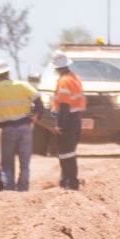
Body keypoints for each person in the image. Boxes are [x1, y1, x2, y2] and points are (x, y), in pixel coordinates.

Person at [0, 59, 39, 191]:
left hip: (8, 129)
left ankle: (9, 188)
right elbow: (38, 100)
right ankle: (23, 188)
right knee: (24, 163)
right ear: (8, 72)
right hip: (25, 128)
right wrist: (34, 116)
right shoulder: (22, 85)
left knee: (7, 163)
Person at [50, 52, 84, 190]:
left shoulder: (64, 81)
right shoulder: (74, 77)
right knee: (69, 152)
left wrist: (60, 125)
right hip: (76, 118)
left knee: (65, 153)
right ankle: (66, 181)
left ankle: (70, 183)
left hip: (68, 120)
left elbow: (64, 105)